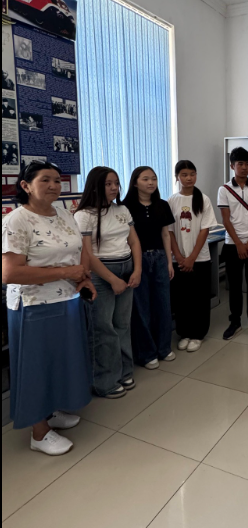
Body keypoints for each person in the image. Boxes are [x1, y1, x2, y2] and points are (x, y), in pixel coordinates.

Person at [2, 161, 96, 456]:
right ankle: (39, 432)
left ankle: (50, 412)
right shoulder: (17, 220)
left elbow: (78, 254)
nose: (54, 185)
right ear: (26, 186)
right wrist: (66, 273)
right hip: (33, 305)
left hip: (66, 300)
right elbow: (9, 273)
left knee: (59, 361)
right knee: (36, 366)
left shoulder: (65, 215)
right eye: (45, 180)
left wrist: (83, 279)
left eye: (57, 180)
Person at [75, 167, 142, 399]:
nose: (114, 188)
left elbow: (134, 242)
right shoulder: (84, 215)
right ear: (95, 186)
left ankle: (124, 371)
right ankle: (105, 381)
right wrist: (112, 279)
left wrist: (137, 270)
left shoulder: (122, 209)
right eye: (108, 184)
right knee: (103, 328)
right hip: (101, 274)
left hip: (126, 269)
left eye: (116, 183)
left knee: (122, 324)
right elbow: (87, 254)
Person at [123, 166, 177, 370]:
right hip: (138, 261)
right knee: (141, 308)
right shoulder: (125, 207)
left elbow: (165, 234)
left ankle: (164, 348)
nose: (151, 182)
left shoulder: (162, 205)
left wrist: (169, 262)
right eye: (145, 179)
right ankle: (146, 353)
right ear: (135, 182)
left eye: (153, 178)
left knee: (163, 305)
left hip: (160, 258)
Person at [169, 160, 218, 352]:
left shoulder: (203, 199)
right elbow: (169, 232)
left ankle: (198, 334)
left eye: (192, 174)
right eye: (184, 174)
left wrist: (191, 258)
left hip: (200, 259)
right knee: (182, 299)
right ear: (177, 177)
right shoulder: (172, 200)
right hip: (178, 260)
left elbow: (205, 230)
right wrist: (179, 257)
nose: (189, 178)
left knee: (199, 298)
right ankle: (184, 333)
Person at [218, 147, 248, 340]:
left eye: (247, 163)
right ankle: (235, 322)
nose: (244, 167)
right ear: (232, 166)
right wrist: (238, 243)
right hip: (232, 244)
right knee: (235, 285)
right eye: (240, 164)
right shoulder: (224, 190)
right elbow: (226, 219)